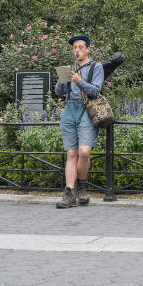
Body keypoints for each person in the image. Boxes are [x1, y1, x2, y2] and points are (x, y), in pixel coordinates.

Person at [54, 34, 104, 208]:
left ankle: (82, 185)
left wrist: (79, 81)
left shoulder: (96, 67)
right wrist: (62, 80)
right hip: (69, 109)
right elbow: (58, 93)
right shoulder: (70, 68)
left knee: (84, 152)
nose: (77, 50)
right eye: (75, 48)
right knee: (71, 154)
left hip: (86, 110)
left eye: (81, 47)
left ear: (88, 49)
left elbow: (95, 90)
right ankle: (69, 192)